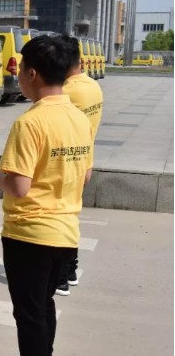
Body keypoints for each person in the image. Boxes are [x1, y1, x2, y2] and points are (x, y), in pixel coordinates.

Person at [0, 35, 93, 356]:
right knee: (42, 305)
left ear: (32, 73)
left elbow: (18, 184)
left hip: (30, 233)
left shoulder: (31, 122)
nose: (17, 77)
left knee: (29, 311)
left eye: (18, 70)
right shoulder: (78, 118)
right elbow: (85, 175)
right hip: (66, 230)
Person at [55, 35, 103, 296]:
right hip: (84, 160)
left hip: (64, 164)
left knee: (60, 220)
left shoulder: (66, 92)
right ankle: (70, 270)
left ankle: (61, 276)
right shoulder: (93, 86)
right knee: (70, 217)